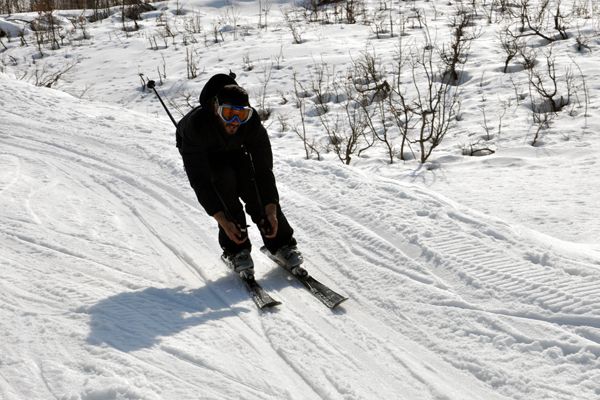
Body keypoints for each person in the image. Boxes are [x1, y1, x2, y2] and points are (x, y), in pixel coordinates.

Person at [176, 73, 304, 278]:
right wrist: (223, 220)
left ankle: (281, 244)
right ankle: (236, 250)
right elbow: (200, 181)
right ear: (215, 108)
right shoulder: (196, 126)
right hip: (204, 154)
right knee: (222, 182)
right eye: (228, 113)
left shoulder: (251, 125)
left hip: (235, 150)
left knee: (251, 182)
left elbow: (263, 170)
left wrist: (270, 210)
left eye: (241, 115)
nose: (235, 122)